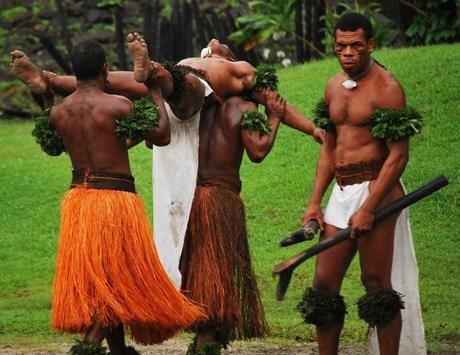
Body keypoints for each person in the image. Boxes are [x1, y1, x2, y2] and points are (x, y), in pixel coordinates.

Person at [33, 40, 204, 354]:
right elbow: (163, 135)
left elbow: (52, 144)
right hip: (114, 201)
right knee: (114, 282)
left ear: (73, 72)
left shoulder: (60, 112)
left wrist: (46, 97)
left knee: (108, 279)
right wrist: (153, 92)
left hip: (79, 202)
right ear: (105, 70)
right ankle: (87, 347)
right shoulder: (116, 106)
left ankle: (120, 350)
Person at [300, 12, 425, 355]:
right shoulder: (332, 87)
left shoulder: (387, 88)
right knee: (324, 286)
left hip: (378, 192)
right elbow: (329, 149)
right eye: (341, 46)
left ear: (370, 45)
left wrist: (369, 207)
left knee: (376, 285)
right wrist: (315, 202)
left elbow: (398, 157)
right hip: (341, 193)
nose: (348, 53)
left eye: (356, 46)